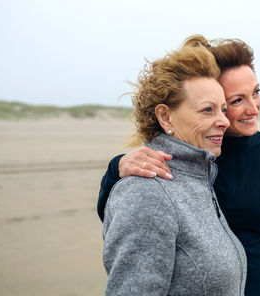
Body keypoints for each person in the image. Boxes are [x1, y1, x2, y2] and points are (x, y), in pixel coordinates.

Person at [99, 35, 260, 296]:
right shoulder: (184, 159)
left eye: (255, 92)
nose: (253, 108)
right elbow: (132, 221)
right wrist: (117, 168)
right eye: (235, 101)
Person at [102, 39, 247, 295]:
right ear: (165, 116)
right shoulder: (148, 192)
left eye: (223, 109)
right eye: (207, 110)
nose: (224, 121)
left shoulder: (198, 176)